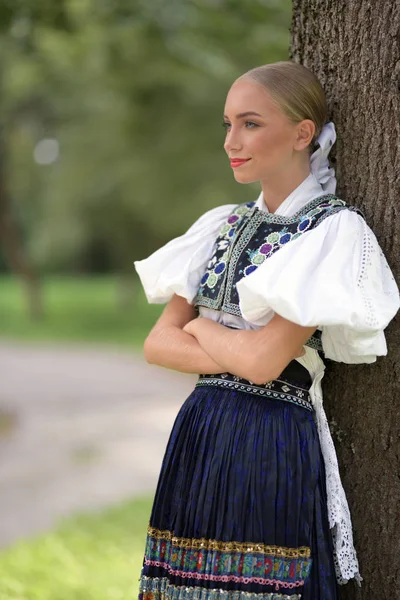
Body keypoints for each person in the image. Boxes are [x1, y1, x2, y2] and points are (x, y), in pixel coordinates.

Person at [133, 61, 399, 600]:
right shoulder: (222, 226)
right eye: (227, 124)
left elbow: (263, 366)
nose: (232, 140)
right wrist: (233, 341)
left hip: (269, 436)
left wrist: (204, 329)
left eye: (250, 123)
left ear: (303, 133)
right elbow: (158, 343)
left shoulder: (331, 232)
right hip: (200, 433)